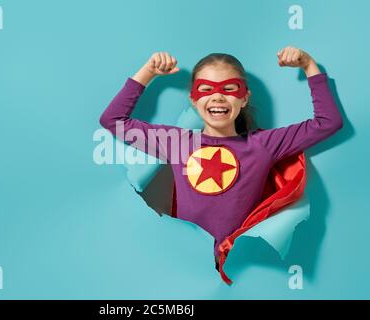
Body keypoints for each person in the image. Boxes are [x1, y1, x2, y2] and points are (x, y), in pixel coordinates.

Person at [99, 46, 343, 284]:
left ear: (244, 98)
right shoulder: (177, 142)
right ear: (193, 99)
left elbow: (327, 122)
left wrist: (309, 65)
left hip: (243, 270)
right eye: (206, 89)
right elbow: (113, 120)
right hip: (182, 264)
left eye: (229, 88)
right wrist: (148, 71)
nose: (217, 96)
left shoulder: (263, 144)